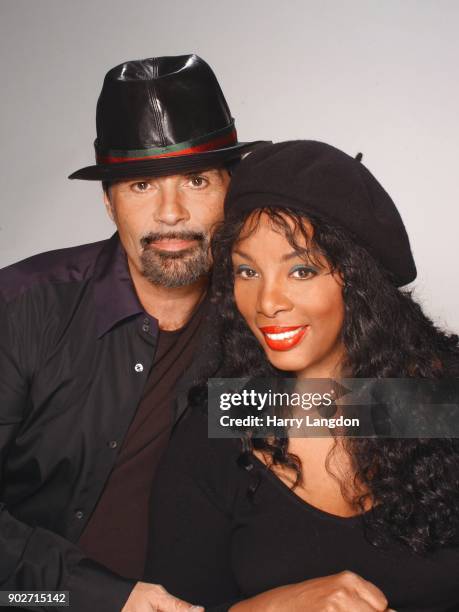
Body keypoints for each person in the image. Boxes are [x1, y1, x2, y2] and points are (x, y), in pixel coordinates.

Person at [144, 141, 459, 611]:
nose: (267, 302)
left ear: (358, 280)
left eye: (301, 270)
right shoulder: (224, 423)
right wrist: (267, 607)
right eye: (247, 271)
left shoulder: (436, 406)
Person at [0, 54, 265, 612]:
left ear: (231, 190)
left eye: (196, 180)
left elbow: (361, 414)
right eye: (142, 184)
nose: (171, 213)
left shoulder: (261, 315)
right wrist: (102, 598)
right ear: (107, 200)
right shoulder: (21, 308)